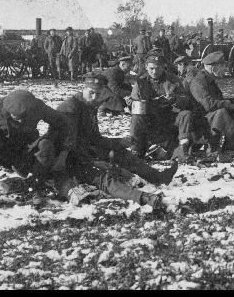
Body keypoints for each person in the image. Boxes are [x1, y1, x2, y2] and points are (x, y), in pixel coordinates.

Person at [53, 73, 175, 211]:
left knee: (120, 152)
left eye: (98, 94)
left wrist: (119, 142)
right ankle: (145, 198)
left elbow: (95, 139)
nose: (95, 97)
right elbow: (67, 144)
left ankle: (158, 177)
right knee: (104, 178)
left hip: (84, 153)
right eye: (91, 92)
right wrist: (93, 162)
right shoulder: (70, 108)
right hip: (67, 160)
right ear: (84, 88)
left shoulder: (88, 106)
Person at [0, 89, 71, 207]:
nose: (21, 120)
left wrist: (55, 143)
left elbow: (62, 123)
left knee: (45, 145)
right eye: (17, 117)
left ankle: (36, 188)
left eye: (24, 115)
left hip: (25, 149)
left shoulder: (38, 106)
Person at [129, 55, 198, 159]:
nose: (154, 72)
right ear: (146, 67)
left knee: (186, 114)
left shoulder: (174, 80)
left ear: (163, 67)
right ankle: (136, 149)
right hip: (150, 118)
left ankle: (183, 147)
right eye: (151, 68)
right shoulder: (140, 82)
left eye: (158, 68)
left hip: (169, 117)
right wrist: (132, 102)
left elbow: (186, 100)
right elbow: (135, 103)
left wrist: (175, 99)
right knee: (136, 117)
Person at [186, 51, 234, 160]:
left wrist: (232, 101)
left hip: (208, 118)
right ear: (213, 68)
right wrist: (229, 104)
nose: (225, 69)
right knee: (222, 112)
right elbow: (208, 105)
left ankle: (229, 145)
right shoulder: (198, 81)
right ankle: (212, 148)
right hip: (197, 123)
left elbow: (217, 100)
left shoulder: (209, 79)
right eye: (222, 66)